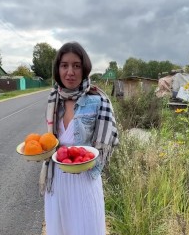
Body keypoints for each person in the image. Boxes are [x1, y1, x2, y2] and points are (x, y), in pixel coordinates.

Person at [39, 41, 119, 235]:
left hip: (85, 178)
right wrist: (42, 150)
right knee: (60, 228)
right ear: (58, 69)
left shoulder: (98, 100)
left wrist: (89, 163)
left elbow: (106, 142)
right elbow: (52, 141)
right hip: (57, 180)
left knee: (86, 228)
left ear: (84, 69)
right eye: (64, 65)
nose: (70, 72)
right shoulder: (54, 98)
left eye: (76, 65)